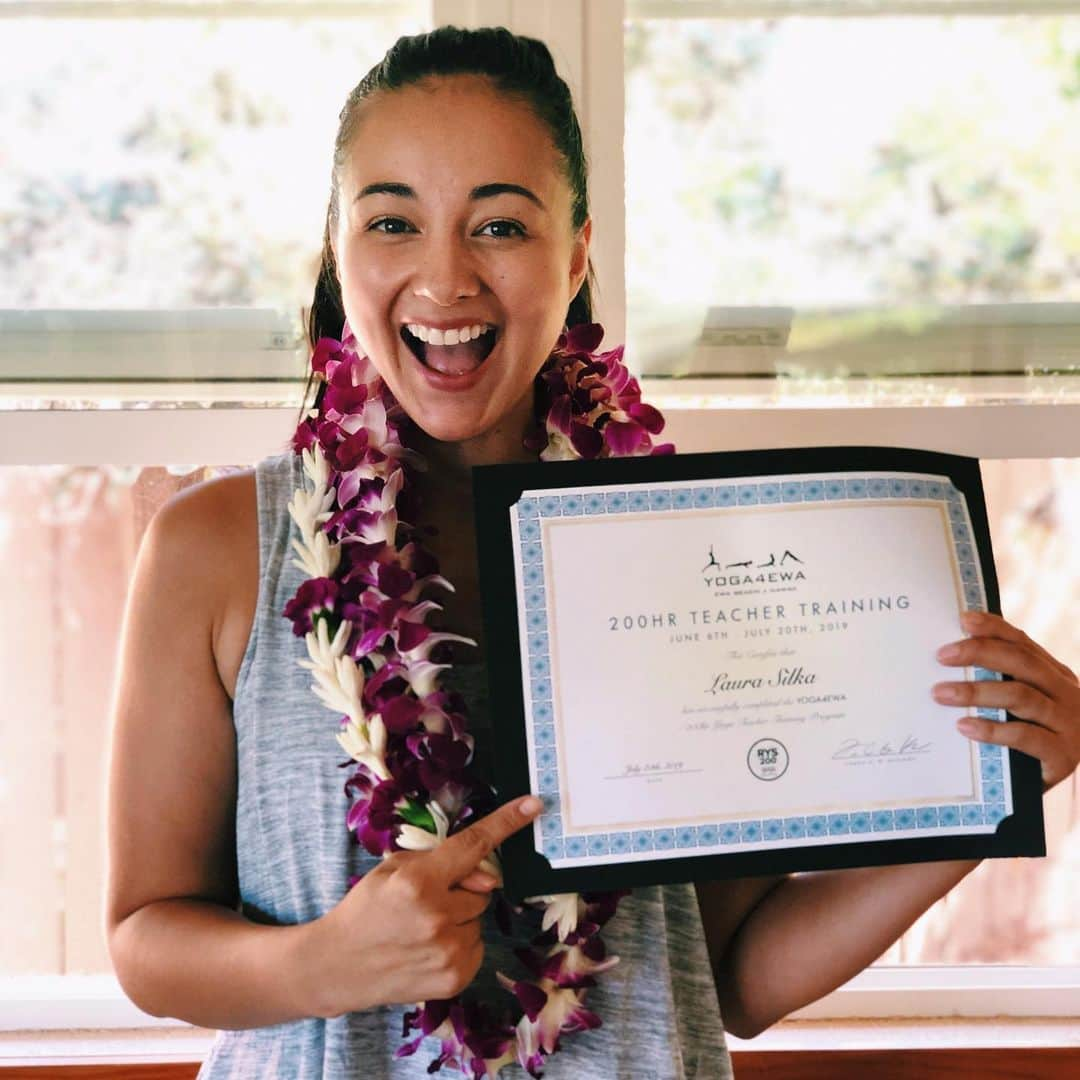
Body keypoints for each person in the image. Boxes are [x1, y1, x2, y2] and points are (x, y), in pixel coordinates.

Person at [104, 25, 1080, 1080]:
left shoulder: (686, 543)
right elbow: (146, 937)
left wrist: (994, 799)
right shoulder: (214, 553)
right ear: (340, 251)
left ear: (575, 255)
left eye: (500, 226)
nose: (444, 279)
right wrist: (325, 964)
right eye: (393, 220)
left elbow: (736, 975)